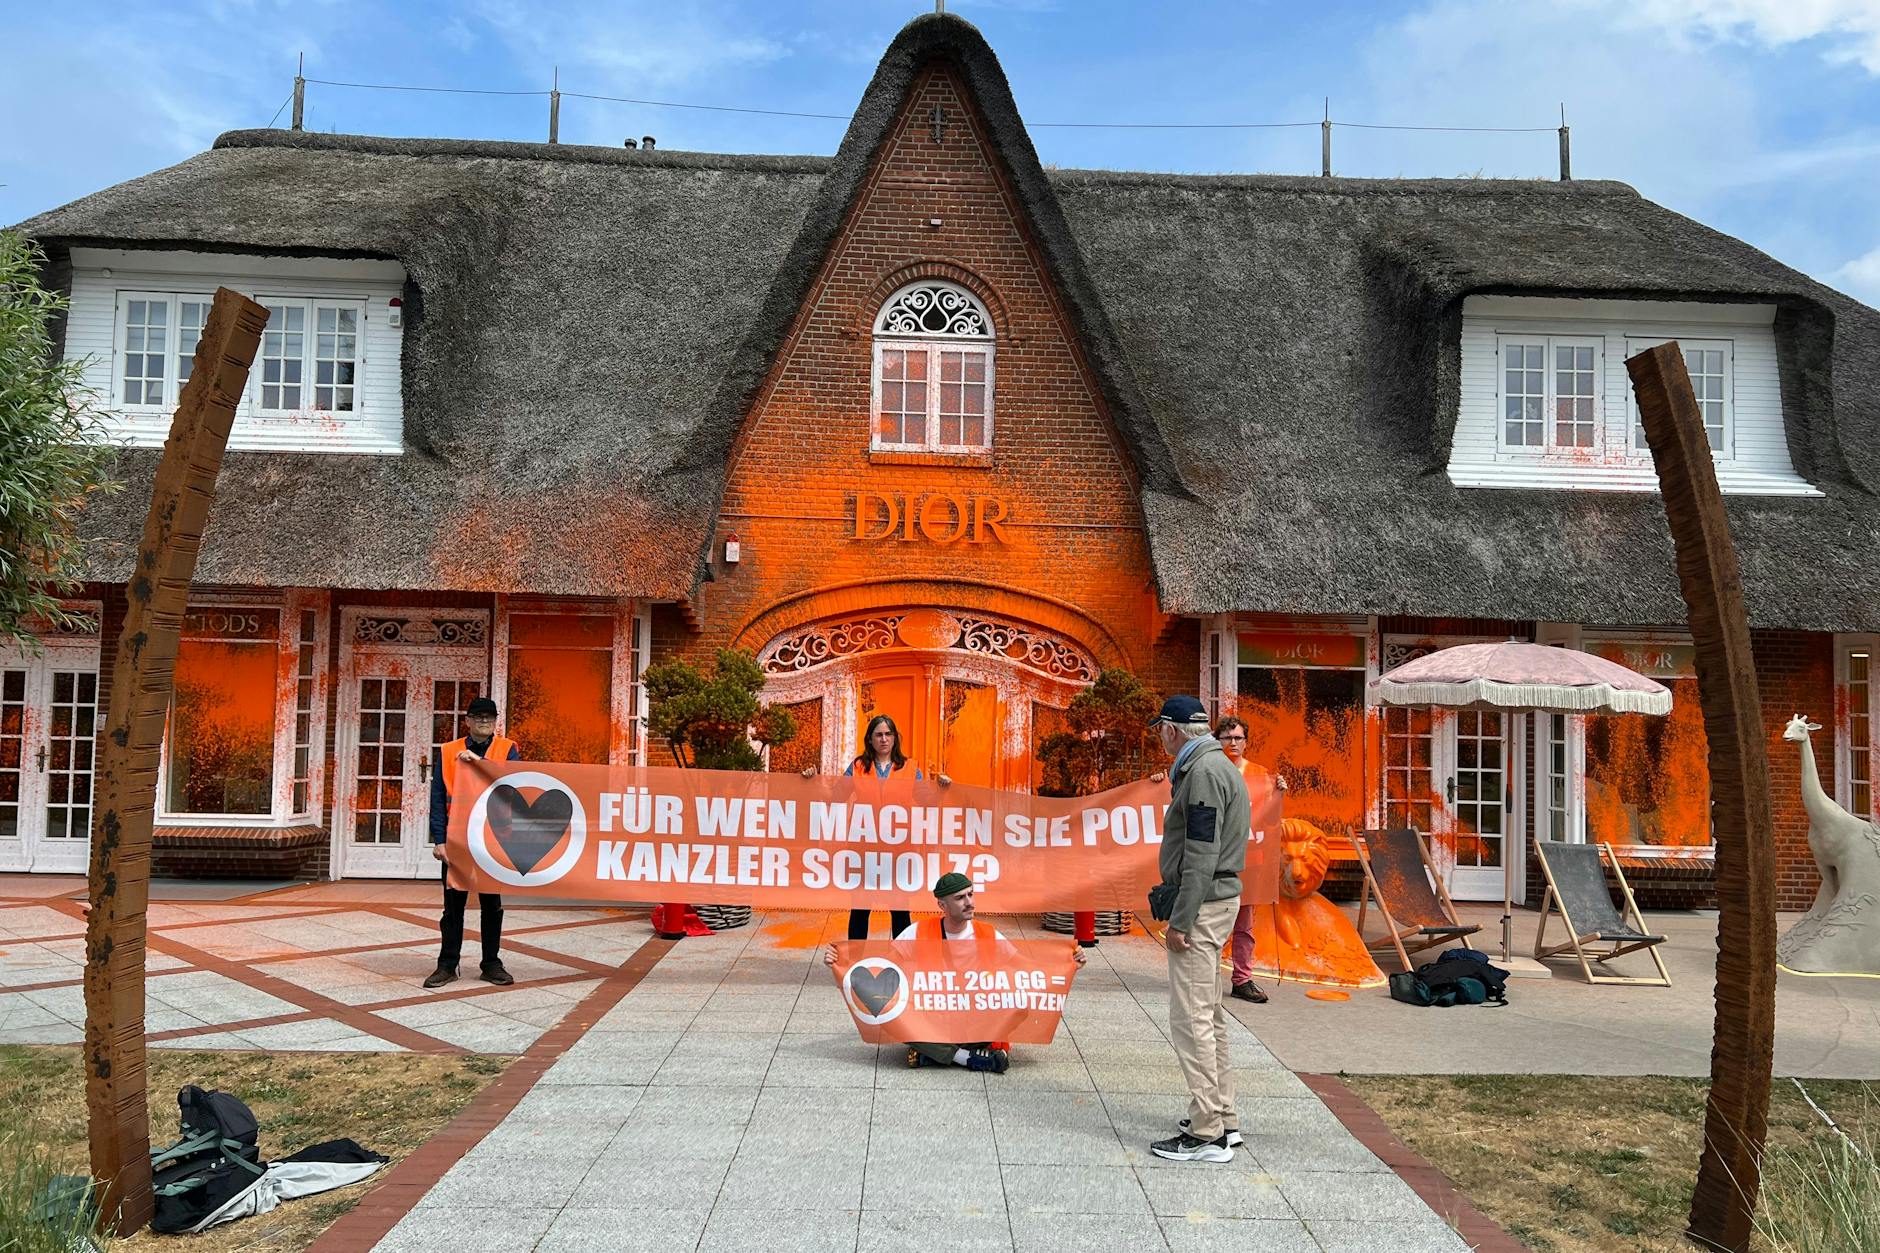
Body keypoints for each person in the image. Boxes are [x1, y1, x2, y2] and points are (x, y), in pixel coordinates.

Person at [825, 871, 1085, 1072]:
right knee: (888, 1013)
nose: (969, 903)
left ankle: (937, 1054)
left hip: (975, 1015)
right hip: (934, 1016)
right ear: (942, 905)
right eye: (960, 898)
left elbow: (1027, 970)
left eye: (971, 895)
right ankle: (964, 1057)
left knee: (1021, 1006)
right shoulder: (917, 932)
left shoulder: (987, 934)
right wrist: (840, 962)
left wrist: (1069, 962)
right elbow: (882, 970)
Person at [1147, 694, 1250, 1163]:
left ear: (1172, 729)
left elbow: (1203, 853)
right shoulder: (1213, 764)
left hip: (1204, 906)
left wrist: (1181, 921)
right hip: (1216, 901)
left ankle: (1208, 1130)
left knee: (1191, 1019)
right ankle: (1222, 1117)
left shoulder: (1204, 772)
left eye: (1159, 730)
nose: (1158, 739)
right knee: (1208, 1013)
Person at [805, 713, 947, 941]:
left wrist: (941, 789)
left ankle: (903, 960)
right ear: (870, 739)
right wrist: (812, 781)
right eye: (878, 734)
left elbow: (926, 801)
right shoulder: (859, 767)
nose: (884, 739)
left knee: (900, 908)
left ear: (895, 738)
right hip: (864, 851)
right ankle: (856, 961)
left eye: (888, 734)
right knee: (860, 909)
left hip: (898, 851)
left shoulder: (910, 768)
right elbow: (836, 797)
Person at [423, 696, 521, 989]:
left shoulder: (508, 748)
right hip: (457, 839)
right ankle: (447, 964)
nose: (483, 722)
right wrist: (439, 839)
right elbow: (438, 798)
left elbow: (511, 783)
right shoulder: (449, 750)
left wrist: (480, 763)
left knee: (492, 904)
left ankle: (491, 963)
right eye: (477, 717)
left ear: (495, 721)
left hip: (493, 839)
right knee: (453, 906)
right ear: (467, 721)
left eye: (488, 718)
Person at [1214, 716, 1270, 1005]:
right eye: (1227, 738)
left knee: (1245, 923)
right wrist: (1158, 781)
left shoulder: (1261, 775)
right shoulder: (1209, 770)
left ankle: (1242, 979)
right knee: (1214, 919)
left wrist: (1279, 791)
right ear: (1218, 740)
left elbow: (1272, 817)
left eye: (1237, 738)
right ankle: (1207, 976)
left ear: (1246, 742)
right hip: (1217, 858)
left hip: (1251, 859)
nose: (1233, 743)